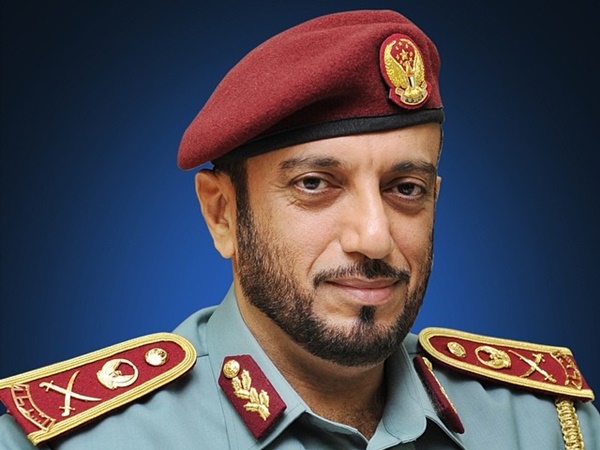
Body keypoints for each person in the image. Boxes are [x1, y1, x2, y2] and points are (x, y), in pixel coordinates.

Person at [0, 8, 598, 449]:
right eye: (315, 184)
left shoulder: (548, 426)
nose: (374, 238)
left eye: (405, 189)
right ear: (222, 214)